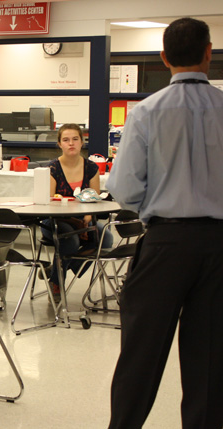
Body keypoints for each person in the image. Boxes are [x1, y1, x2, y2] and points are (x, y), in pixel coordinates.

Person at [107, 18, 223, 429]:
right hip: (219, 246)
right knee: (210, 358)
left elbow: (123, 187)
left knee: (141, 350)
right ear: (209, 53)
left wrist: (157, 205)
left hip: (166, 241)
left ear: (164, 57)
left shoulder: (146, 112)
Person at [40, 123, 112, 303]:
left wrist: (87, 219)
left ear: (82, 142)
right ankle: (57, 281)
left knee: (106, 238)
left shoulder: (91, 168)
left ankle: (57, 268)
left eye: (75, 139)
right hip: (56, 220)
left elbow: (94, 202)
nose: (70, 143)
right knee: (71, 240)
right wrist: (76, 221)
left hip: (84, 219)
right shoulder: (52, 169)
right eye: (66, 140)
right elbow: (50, 205)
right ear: (59, 144)